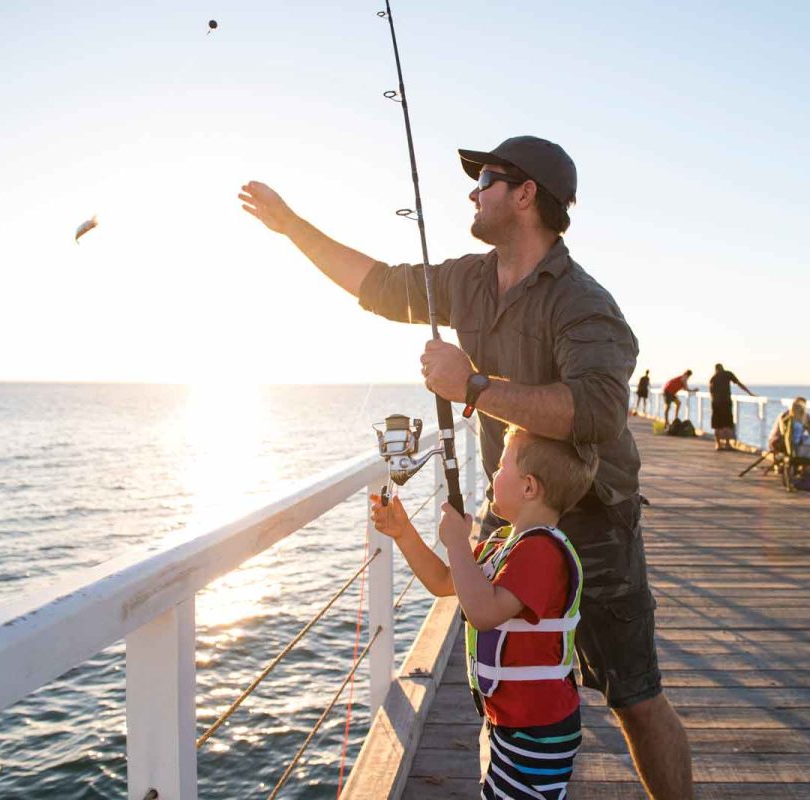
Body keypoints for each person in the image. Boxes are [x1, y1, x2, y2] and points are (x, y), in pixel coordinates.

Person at [240, 134, 693, 798]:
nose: (473, 192)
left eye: (486, 180)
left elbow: (597, 410)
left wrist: (474, 387)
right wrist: (290, 227)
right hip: (512, 517)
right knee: (502, 680)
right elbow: (381, 285)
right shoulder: (468, 280)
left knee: (633, 696)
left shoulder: (583, 303)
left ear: (525, 195)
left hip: (594, 521)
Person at [371, 426, 596, 798]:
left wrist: (458, 540)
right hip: (510, 720)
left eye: (502, 466)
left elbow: (483, 612)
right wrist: (403, 532)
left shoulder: (541, 553)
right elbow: (445, 581)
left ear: (528, 487)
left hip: (536, 728)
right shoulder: (503, 544)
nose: (493, 473)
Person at [709, 363, 754, 451]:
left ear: (716, 369)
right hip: (725, 402)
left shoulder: (713, 378)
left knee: (717, 425)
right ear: (723, 368)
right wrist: (749, 393)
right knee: (727, 424)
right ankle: (728, 444)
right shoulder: (728, 374)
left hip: (715, 403)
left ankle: (718, 445)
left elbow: (711, 392)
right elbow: (739, 383)